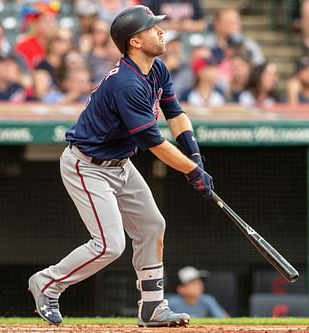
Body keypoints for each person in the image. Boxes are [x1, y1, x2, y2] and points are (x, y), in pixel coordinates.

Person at [27, 5, 213, 328]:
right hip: (87, 166)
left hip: (120, 164)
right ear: (134, 42)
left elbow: (176, 114)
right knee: (110, 244)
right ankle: (47, 283)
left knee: (153, 225)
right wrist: (190, 171)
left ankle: (153, 307)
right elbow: (154, 142)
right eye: (152, 28)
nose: (160, 31)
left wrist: (194, 157)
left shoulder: (157, 70)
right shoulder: (126, 83)